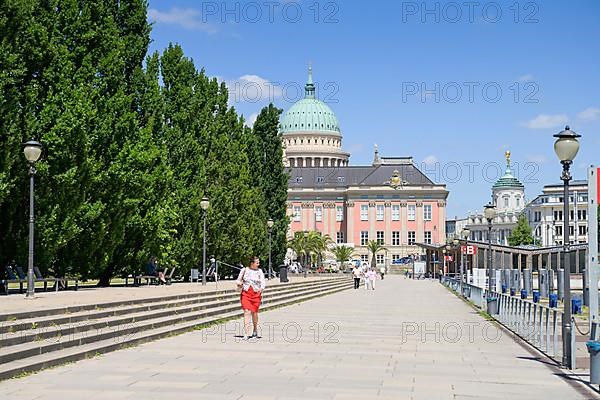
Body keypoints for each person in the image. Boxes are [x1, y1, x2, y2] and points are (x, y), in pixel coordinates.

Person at [236, 256, 266, 340]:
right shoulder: (244, 270)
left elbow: (263, 282)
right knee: (246, 311)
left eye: (258, 262)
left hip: (256, 294)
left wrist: (261, 288)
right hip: (246, 293)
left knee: (254, 313)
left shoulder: (259, 271)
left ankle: (255, 329)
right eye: (257, 262)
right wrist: (240, 284)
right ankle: (246, 333)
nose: (258, 264)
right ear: (252, 263)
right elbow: (238, 280)